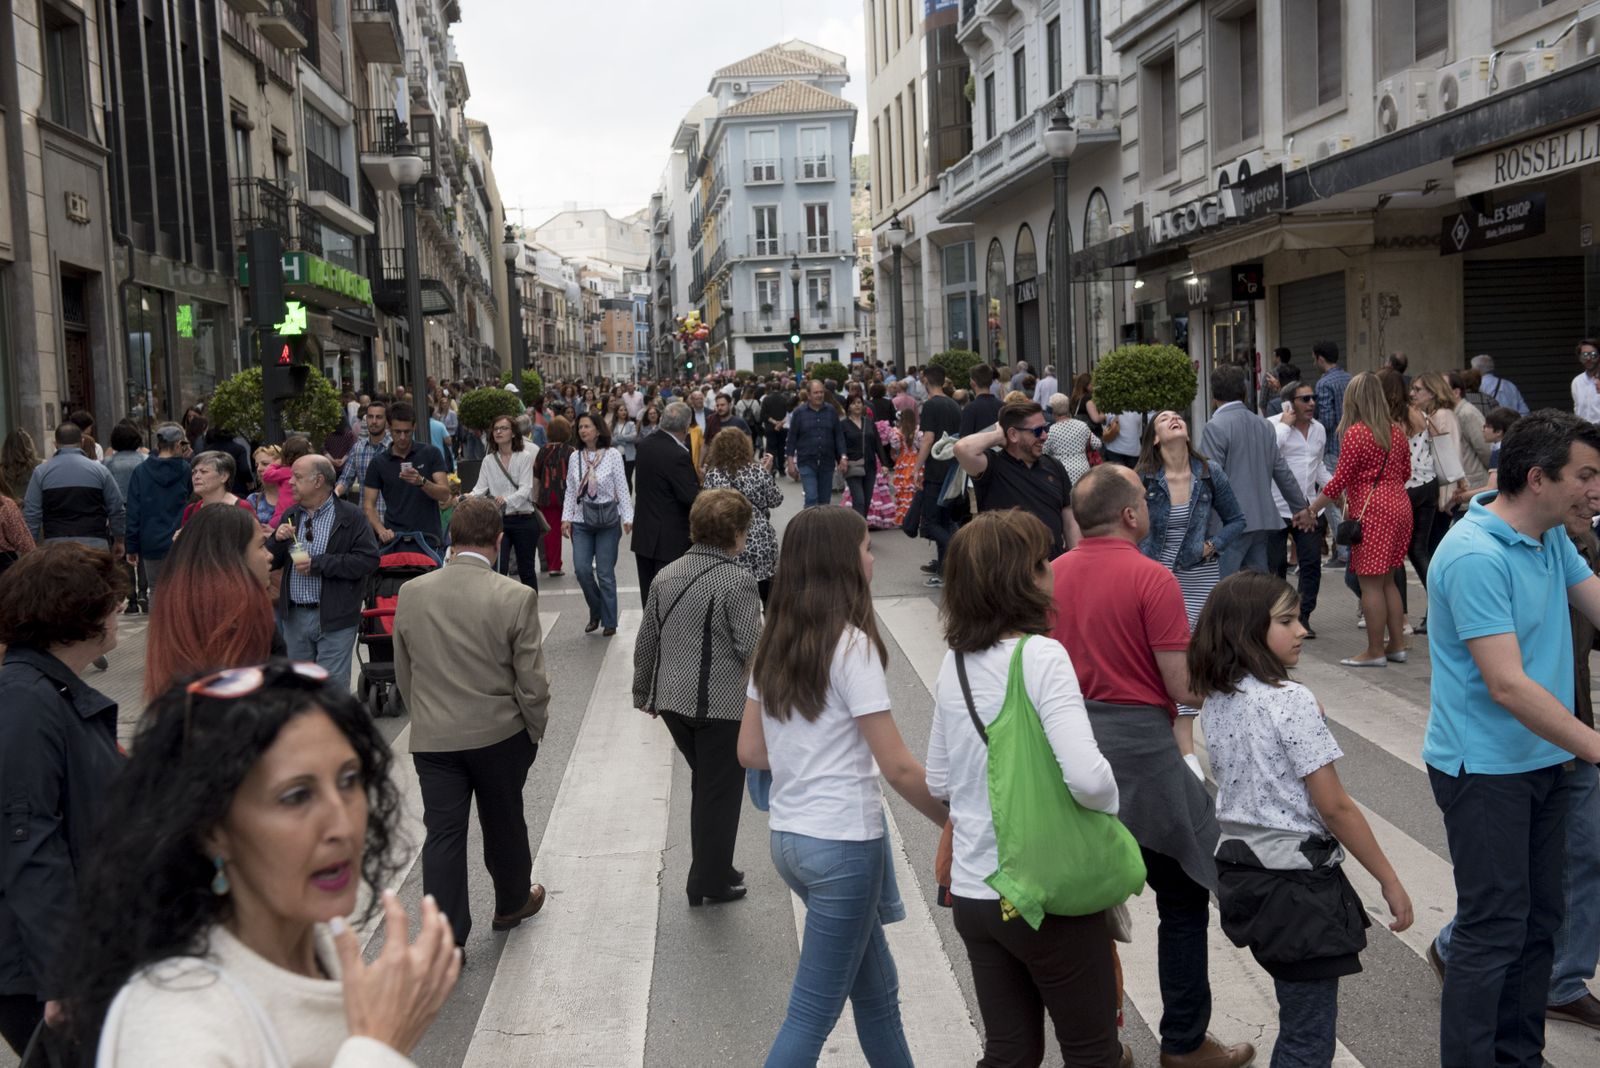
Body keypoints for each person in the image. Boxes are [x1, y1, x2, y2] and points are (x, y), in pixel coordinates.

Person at [58, 661, 459, 1064]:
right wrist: (380, 1048)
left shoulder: (324, 940)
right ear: (212, 828)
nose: (343, 824)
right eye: (296, 796)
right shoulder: (172, 1024)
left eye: (348, 780)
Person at [1049, 465, 1256, 1068]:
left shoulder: (1053, 575)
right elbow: (1179, 681)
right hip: (1143, 748)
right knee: (1185, 896)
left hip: (1072, 744)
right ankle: (1184, 1043)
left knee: (1084, 908)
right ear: (1132, 516)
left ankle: (1095, 1046)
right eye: (1144, 501)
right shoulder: (1153, 577)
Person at [1420, 410, 1600, 1065]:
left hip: (1546, 762)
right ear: (1537, 479)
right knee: (1493, 929)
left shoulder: (1550, 535)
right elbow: (1507, 685)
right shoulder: (1472, 556)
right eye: (1585, 476)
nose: (1595, 490)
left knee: (1538, 924)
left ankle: (1518, 1057)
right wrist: (1595, 745)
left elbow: (1596, 601)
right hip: (1484, 770)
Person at [738, 507, 948, 1066]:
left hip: (790, 839)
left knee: (878, 993)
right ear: (842, 563)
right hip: (842, 846)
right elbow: (898, 766)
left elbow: (750, 752)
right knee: (809, 1018)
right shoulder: (852, 646)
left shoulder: (774, 641)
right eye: (866, 549)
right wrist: (958, 820)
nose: (872, 558)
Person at [926, 510, 1125, 1068]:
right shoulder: (1040, 656)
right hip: (1046, 895)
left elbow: (938, 779)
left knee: (1010, 1052)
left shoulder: (956, 662)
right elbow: (1087, 778)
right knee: (1092, 1051)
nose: (1051, 570)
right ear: (1020, 578)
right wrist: (1111, 805)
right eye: (1042, 561)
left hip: (975, 892)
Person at [1190, 572, 1413, 1068]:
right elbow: (1334, 805)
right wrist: (1389, 879)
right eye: (1286, 621)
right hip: (1298, 887)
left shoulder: (1220, 697)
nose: (1302, 631)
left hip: (1245, 876)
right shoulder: (1289, 700)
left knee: (1297, 1016)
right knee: (1308, 1038)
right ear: (1247, 630)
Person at [393, 498, 551, 951]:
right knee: (504, 821)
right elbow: (532, 681)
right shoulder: (515, 596)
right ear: (499, 540)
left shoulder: (412, 593)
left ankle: (445, 940)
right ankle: (511, 902)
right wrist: (533, 727)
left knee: (443, 834)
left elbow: (405, 670)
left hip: (435, 735)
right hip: (499, 732)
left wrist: (424, 713)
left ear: (450, 538)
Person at [0, 543, 126, 1057]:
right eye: (111, 602)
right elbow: (27, 842)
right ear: (77, 614)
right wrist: (64, 973)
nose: (120, 611)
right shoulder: (26, 700)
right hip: (40, 971)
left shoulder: (49, 691)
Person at [634, 490, 762, 907]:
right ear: (737, 534)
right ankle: (707, 881)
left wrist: (643, 692)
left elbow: (648, 638)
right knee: (719, 791)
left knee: (707, 784)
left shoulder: (667, 573)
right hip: (720, 704)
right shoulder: (738, 580)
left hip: (672, 701)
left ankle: (716, 865)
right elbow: (752, 647)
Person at [1304, 373, 1412, 667]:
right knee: (1389, 579)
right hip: (1400, 505)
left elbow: (1339, 480)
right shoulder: (1396, 431)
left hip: (1373, 510)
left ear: (1353, 400)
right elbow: (1405, 473)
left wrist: (1313, 509)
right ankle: (1397, 645)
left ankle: (1375, 650)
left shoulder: (1357, 433)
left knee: (1370, 585)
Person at [268, 455, 381, 690]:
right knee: (300, 689)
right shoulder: (291, 514)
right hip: (296, 619)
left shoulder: (350, 516)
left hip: (336, 617)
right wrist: (277, 540)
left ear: (318, 480)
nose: (290, 482)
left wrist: (318, 564)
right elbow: (270, 560)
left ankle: (334, 727)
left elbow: (368, 560)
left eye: (297, 477)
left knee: (332, 689)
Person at [146, 503, 277, 698]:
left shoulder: (177, 613)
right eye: (261, 546)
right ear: (232, 558)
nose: (270, 555)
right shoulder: (246, 624)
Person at [1139, 410, 1246, 632]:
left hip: (1199, 576)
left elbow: (1237, 520)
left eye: (1178, 417)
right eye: (1164, 418)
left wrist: (1211, 546)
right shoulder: (1143, 477)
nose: (1174, 419)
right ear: (1155, 438)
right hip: (1155, 574)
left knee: (1197, 642)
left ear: (1187, 435)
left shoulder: (1209, 472)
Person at [1200, 365, 1308, 577]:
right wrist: (1300, 507)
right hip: (1262, 519)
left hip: (1227, 524)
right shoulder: (1263, 425)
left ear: (1213, 394)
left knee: (1224, 591)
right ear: (1245, 391)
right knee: (1256, 591)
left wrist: (1199, 525)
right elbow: (1281, 470)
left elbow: (1209, 480)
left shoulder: (1215, 427)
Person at [955, 400, 1079, 558]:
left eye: (1045, 428)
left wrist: (1075, 555)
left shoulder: (1053, 465)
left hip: (1051, 566)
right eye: (1038, 430)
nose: (1045, 436)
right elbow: (962, 449)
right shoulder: (992, 466)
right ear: (1013, 434)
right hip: (1008, 571)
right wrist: (998, 434)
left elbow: (1068, 515)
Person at [562, 411, 633, 637]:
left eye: (587, 427)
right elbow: (571, 491)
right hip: (582, 520)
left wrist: (628, 516)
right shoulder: (575, 457)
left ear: (598, 430)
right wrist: (567, 518)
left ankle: (609, 620)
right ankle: (596, 610)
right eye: (580, 427)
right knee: (582, 570)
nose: (583, 431)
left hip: (608, 521)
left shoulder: (612, 455)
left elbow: (622, 487)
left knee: (605, 573)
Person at [1265, 383, 1328, 635]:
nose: (1311, 403)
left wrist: (1333, 488)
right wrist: (1285, 424)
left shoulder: (1319, 430)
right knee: (1276, 564)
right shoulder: (1273, 426)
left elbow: (1318, 464)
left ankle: (1303, 616)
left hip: (1309, 508)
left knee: (1311, 563)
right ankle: (1279, 615)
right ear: (1290, 403)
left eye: (1313, 398)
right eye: (1305, 399)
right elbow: (1267, 454)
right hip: (1276, 508)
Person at [702, 427, 782, 602]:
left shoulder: (714, 475)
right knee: (766, 590)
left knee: (735, 591)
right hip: (760, 536)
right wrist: (766, 474)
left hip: (730, 536)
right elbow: (776, 500)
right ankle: (770, 626)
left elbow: (707, 508)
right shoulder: (757, 471)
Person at [22, 422, 125, 553]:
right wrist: (119, 539)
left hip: (55, 547)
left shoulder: (41, 472)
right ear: (82, 442)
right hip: (95, 546)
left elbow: (31, 513)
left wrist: (30, 547)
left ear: (55, 444)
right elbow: (116, 508)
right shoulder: (100, 471)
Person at [362, 401, 452, 546]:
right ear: (389, 429)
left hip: (428, 539)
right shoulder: (379, 462)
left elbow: (444, 493)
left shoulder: (430, 453)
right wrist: (381, 530)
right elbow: (368, 505)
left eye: (407, 432)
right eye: (398, 432)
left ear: (414, 428)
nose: (402, 437)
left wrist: (422, 482)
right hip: (395, 540)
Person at [472, 414, 542, 591]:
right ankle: (502, 612)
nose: (498, 432)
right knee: (499, 570)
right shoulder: (489, 460)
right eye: (495, 429)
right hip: (500, 521)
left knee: (526, 570)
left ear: (513, 433)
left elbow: (526, 489)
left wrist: (506, 500)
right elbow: (480, 489)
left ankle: (530, 610)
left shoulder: (524, 456)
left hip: (524, 519)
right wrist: (466, 497)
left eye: (503, 428)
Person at [124, 423, 191, 600]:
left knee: (155, 589)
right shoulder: (186, 470)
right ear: (178, 445)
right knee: (180, 589)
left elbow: (133, 511)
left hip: (151, 539)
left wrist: (131, 546)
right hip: (180, 539)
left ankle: (157, 628)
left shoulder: (141, 471)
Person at [911, 366, 964, 586]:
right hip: (953, 468)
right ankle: (943, 572)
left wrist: (916, 467)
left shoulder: (931, 405)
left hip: (936, 470)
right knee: (944, 520)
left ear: (925, 380)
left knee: (931, 522)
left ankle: (959, 549)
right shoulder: (953, 404)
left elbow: (928, 439)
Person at [785, 379, 848, 508]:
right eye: (816, 393)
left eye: (821, 392)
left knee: (825, 500)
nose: (819, 395)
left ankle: (822, 527)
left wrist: (843, 457)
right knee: (812, 497)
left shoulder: (831, 411)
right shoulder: (799, 413)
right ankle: (810, 526)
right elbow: (791, 439)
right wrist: (790, 463)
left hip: (827, 462)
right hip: (807, 461)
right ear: (808, 395)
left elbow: (838, 436)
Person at [534, 415, 574, 578]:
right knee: (575, 529)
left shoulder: (542, 450)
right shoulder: (570, 451)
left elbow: (536, 475)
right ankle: (581, 562)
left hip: (547, 495)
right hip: (567, 494)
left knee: (551, 533)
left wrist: (535, 497)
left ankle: (554, 566)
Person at [337, 401, 391, 522]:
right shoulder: (358, 448)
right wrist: (335, 494)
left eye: (379, 417)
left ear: (387, 421)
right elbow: (345, 479)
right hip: (366, 520)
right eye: (370, 417)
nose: (374, 421)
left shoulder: (394, 447)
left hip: (391, 519)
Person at [1043, 392, 1103, 491]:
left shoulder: (1052, 430)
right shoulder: (1082, 425)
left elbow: (1045, 451)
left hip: (1061, 471)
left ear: (1053, 412)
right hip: (1082, 468)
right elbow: (1097, 444)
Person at [183, 450, 257, 526]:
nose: (196, 476)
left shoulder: (242, 508)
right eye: (194, 472)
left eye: (204, 471)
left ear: (224, 476)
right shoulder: (190, 510)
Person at [840, 394, 883, 521]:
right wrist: (841, 459)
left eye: (859, 402)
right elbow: (840, 445)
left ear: (863, 405)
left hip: (870, 465)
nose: (857, 405)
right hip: (852, 466)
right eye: (853, 403)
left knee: (867, 500)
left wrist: (885, 464)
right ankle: (859, 531)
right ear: (848, 407)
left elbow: (878, 444)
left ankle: (860, 527)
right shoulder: (843, 425)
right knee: (859, 500)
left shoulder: (869, 423)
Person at [889, 406, 921, 526]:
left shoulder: (897, 431)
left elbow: (895, 447)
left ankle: (905, 519)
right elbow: (920, 446)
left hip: (903, 461)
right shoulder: (918, 430)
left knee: (904, 490)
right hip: (916, 460)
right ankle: (917, 518)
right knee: (915, 489)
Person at [0, 429, 40, 506]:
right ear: (30, 445)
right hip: (35, 514)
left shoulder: (1, 471)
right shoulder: (41, 467)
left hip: (10, 515)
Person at [961, 364, 1002, 436]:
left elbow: (964, 439)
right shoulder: (1003, 407)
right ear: (991, 382)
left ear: (973, 383)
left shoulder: (970, 409)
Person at [1570, 339, 1600, 423]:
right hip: (1583, 431)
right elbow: (1577, 409)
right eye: (1584, 355)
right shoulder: (1577, 382)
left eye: (1593, 355)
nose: (1588, 358)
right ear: (1580, 358)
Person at [613, 401, 640, 489]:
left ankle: (628, 500)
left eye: (625, 410)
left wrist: (619, 437)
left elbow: (633, 437)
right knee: (616, 480)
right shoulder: (613, 425)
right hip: (616, 457)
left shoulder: (631, 424)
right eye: (621, 410)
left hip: (629, 457)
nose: (624, 412)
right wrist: (624, 441)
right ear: (616, 413)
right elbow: (610, 440)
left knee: (627, 479)